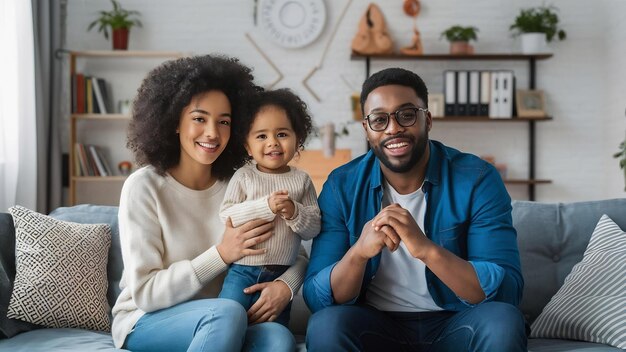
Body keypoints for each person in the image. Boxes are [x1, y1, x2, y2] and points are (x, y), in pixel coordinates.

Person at [303, 67, 526, 351]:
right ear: (367, 129)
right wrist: (358, 253)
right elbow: (317, 297)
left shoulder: (477, 178)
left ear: (427, 120)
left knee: (503, 320)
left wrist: (425, 249)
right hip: (374, 324)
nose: (393, 128)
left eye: (406, 115)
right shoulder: (341, 185)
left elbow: (507, 289)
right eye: (379, 120)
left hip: (457, 322)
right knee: (326, 324)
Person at [111, 55, 301, 352]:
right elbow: (146, 293)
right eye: (199, 118)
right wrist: (222, 254)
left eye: (224, 122)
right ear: (174, 122)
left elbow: (295, 250)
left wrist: (286, 285)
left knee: (278, 340)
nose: (213, 133)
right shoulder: (144, 187)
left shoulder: (240, 185)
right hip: (147, 319)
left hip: (227, 318)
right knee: (225, 313)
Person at [218, 88, 321, 326]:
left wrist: (294, 212)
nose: (273, 143)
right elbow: (227, 214)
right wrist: (266, 206)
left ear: (298, 140)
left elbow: (314, 227)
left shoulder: (302, 180)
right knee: (227, 322)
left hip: (281, 276)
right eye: (261, 136)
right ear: (247, 145)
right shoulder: (244, 177)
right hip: (242, 272)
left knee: (272, 330)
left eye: (282, 134)